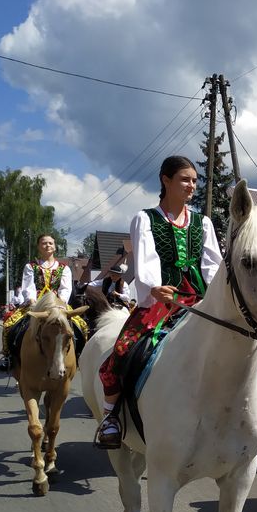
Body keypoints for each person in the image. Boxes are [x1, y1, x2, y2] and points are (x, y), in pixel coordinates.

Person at [93, 155, 223, 449]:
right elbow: (145, 260)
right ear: (166, 180)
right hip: (160, 298)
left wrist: (216, 295)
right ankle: (110, 416)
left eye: (194, 180)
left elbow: (213, 265)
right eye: (185, 179)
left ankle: (256, 406)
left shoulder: (202, 222)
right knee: (124, 349)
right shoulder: (145, 218)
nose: (191, 185)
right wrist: (154, 287)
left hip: (199, 296)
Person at [0, 233, 87, 371]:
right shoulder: (31, 266)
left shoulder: (64, 268)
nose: (47, 245)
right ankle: (8, 358)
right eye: (44, 243)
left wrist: (59, 304)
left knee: (83, 326)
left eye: (50, 243)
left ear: (55, 247)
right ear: (39, 247)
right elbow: (28, 287)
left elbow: (66, 289)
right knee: (9, 324)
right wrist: (33, 301)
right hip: (35, 304)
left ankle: (80, 356)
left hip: (58, 305)